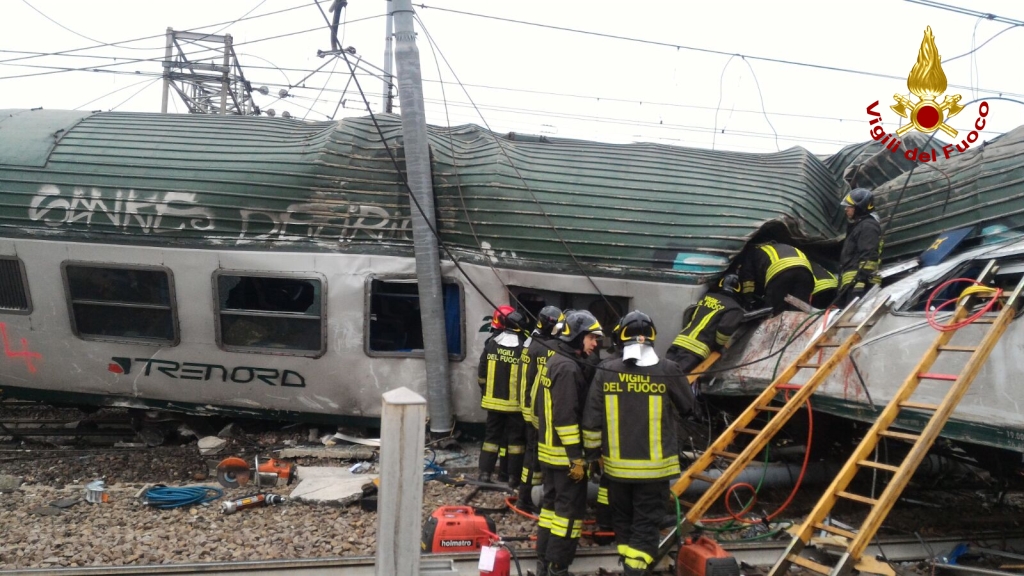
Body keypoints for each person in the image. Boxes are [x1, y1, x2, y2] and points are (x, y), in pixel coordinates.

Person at [582, 311, 694, 576]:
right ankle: (635, 570)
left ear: (620, 337)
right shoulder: (667, 369)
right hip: (654, 473)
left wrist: (591, 456)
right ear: (652, 337)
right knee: (646, 526)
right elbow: (688, 407)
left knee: (623, 521)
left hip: (616, 471)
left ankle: (628, 564)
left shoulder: (606, 370)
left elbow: (591, 420)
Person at [534, 309, 604, 576]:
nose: (595, 344)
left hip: (551, 453)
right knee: (568, 514)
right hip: (565, 458)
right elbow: (565, 417)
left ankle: (544, 561)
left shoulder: (556, 361)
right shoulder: (567, 368)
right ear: (577, 336)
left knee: (551, 508)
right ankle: (558, 566)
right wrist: (576, 456)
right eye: (591, 338)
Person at [516, 305, 562, 512]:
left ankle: (526, 496)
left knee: (532, 455)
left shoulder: (532, 345)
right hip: (541, 412)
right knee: (535, 457)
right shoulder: (554, 349)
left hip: (532, 409)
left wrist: (526, 408)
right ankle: (528, 498)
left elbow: (526, 381)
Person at [477, 306, 527, 484]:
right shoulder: (522, 347)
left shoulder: (491, 344)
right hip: (515, 406)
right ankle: (513, 477)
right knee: (515, 442)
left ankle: (485, 474)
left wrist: (484, 392)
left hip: (492, 403)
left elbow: (482, 372)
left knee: (491, 439)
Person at [665, 274, 745, 373]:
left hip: (679, 342)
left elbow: (689, 315)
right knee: (675, 378)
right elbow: (725, 328)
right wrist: (719, 346)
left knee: (662, 374)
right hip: (696, 350)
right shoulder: (734, 308)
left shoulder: (706, 297)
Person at [738, 240, 814, 313]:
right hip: (805, 272)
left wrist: (748, 299)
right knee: (799, 309)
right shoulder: (782, 246)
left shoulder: (752, 252)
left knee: (774, 311)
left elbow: (747, 279)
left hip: (780, 271)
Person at [838, 188, 883, 306]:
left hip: (861, 285)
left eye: (850, 206)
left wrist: (861, 281)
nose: (846, 209)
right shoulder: (859, 226)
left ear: (859, 208)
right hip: (852, 283)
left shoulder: (868, 226)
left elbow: (869, 255)